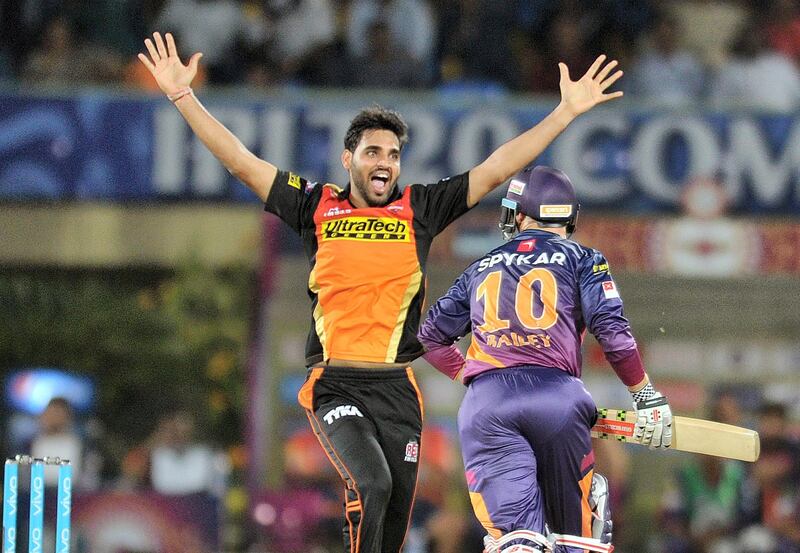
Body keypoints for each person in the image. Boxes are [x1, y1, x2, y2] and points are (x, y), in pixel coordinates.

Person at [137, 31, 623, 553]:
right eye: (372, 152)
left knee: (393, 518)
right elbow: (239, 160)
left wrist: (565, 112)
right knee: (372, 484)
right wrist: (182, 96)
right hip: (336, 385)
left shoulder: (420, 208)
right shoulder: (315, 207)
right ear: (349, 159)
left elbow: (498, 168)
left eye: (393, 153)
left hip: (398, 392)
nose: (385, 162)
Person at [417, 166, 673, 553]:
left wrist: (473, 373)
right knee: (575, 541)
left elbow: (430, 337)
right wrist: (645, 395)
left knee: (519, 543)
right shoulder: (584, 258)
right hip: (560, 400)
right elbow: (613, 333)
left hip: (489, 405)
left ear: (521, 214)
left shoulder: (481, 265)